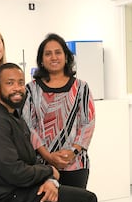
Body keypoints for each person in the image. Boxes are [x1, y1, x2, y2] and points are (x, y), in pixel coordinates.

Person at [0, 63, 98, 202]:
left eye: (20, 83)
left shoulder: (13, 118)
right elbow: (14, 172)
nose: (17, 88)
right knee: (88, 200)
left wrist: (49, 181)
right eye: (10, 83)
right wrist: (49, 171)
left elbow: (31, 160)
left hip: (20, 189)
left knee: (72, 195)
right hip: (8, 200)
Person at [23, 33, 95, 189]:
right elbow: (28, 126)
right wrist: (48, 156)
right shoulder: (31, 89)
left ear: (66, 57)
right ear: (41, 60)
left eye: (58, 52)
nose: (53, 57)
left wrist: (72, 152)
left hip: (76, 164)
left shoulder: (81, 88)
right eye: (48, 54)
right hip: (42, 165)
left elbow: (87, 124)